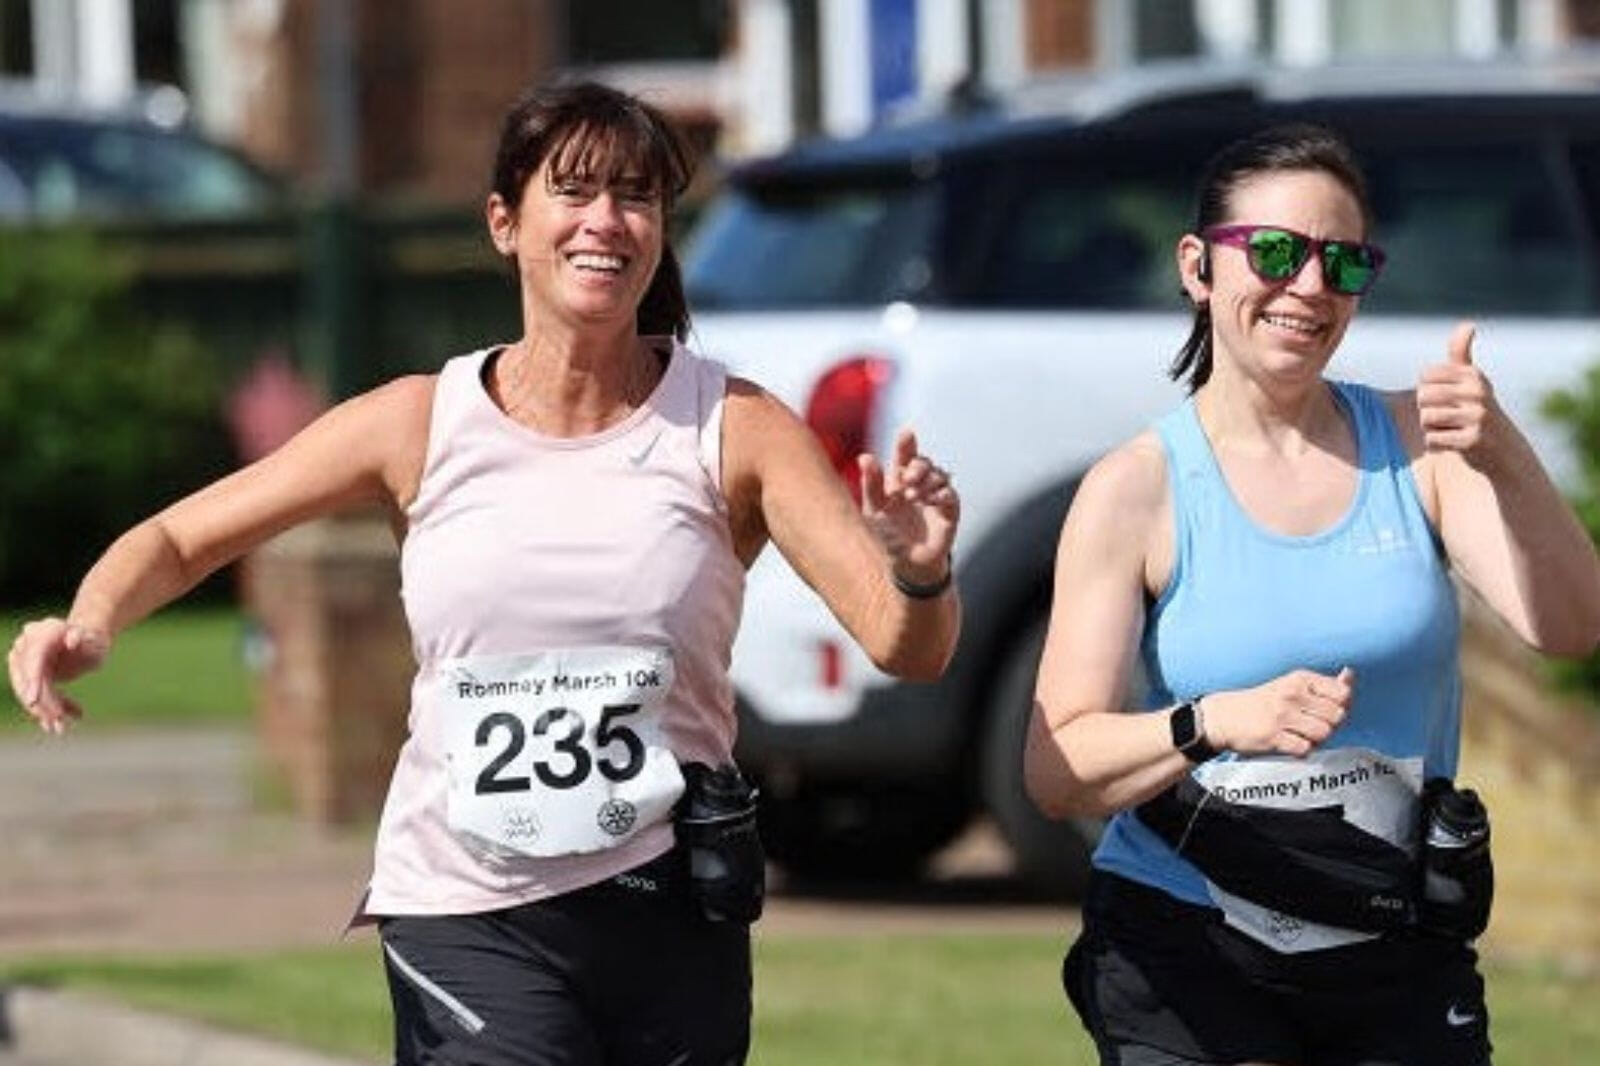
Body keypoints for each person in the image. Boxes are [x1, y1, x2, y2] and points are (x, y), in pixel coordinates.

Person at [5, 80, 961, 1066]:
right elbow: (180, 537)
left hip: (670, 907)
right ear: (505, 222)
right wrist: (92, 622)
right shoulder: (418, 422)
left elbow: (904, 642)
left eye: (635, 196)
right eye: (576, 191)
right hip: (465, 905)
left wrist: (923, 570)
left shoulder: (735, 428)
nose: (607, 221)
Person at [1024, 123, 1600, 1066]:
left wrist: (1503, 451)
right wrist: (1211, 722)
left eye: (1342, 263)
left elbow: (1573, 624)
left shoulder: (1418, 450)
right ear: (1199, 267)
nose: (1309, 288)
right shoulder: (1136, 488)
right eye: (1278, 254)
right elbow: (1056, 769)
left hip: (1396, 947)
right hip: (1187, 951)